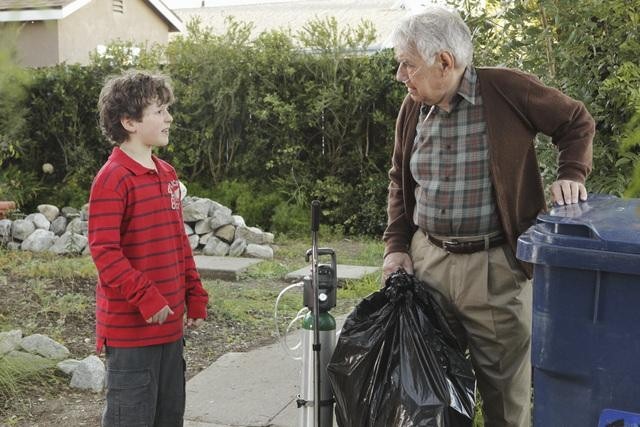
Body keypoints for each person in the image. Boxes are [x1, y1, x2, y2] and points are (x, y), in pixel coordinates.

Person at [382, 6, 594, 427]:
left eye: (407, 64)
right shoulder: (413, 109)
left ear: (444, 61)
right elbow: (398, 181)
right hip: (429, 265)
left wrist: (572, 174)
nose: (400, 76)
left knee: (505, 404)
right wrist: (396, 247)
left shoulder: (506, 90)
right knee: (426, 396)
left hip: (495, 269)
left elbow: (576, 121)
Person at [88, 70, 209, 427]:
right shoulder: (112, 179)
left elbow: (177, 241)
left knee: (169, 417)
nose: (169, 117)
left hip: (170, 331)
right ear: (129, 121)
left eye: (167, 109)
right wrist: (147, 297)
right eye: (159, 111)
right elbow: (105, 252)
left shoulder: (167, 174)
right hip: (132, 335)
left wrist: (194, 293)